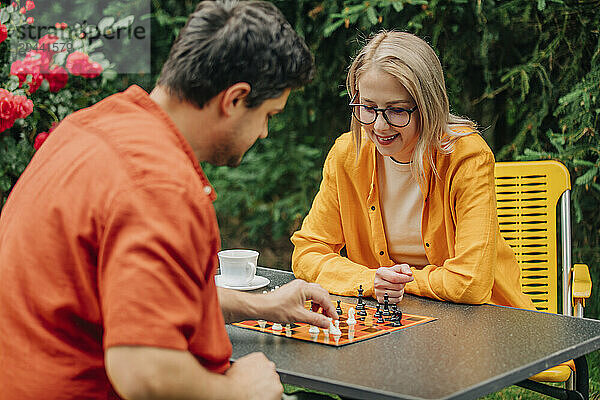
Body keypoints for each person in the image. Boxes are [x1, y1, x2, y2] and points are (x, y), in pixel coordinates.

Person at [0, 1, 337, 399]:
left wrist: (263, 307)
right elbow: (143, 370)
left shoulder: (87, 128)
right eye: (268, 114)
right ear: (234, 99)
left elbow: (131, 296)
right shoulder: (159, 186)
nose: (264, 132)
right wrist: (240, 392)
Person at [291, 31, 534, 310]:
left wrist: (396, 284)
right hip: (393, 322)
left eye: (396, 110)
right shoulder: (348, 155)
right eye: (368, 107)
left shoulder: (467, 158)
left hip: (485, 320)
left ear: (429, 106)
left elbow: (470, 282)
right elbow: (307, 252)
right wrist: (369, 280)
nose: (379, 126)